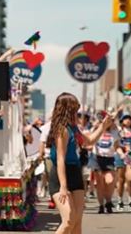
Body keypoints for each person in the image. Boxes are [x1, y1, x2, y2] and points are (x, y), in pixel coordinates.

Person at [46, 92, 114, 234]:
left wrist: (103, 126)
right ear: (67, 110)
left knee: (77, 222)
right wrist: (63, 186)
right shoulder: (62, 130)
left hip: (75, 173)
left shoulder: (73, 128)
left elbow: (88, 142)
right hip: (60, 176)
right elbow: (60, 159)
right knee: (69, 220)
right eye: (75, 110)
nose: (77, 113)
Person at [93, 119, 122, 214]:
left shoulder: (114, 133)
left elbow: (117, 146)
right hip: (97, 158)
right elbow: (90, 141)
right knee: (100, 184)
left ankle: (108, 201)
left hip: (109, 159)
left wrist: (122, 154)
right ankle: (101, 205)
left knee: (109, 181)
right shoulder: (97, 131)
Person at [117, 115, 131, 212]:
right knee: (121, 179)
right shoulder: (119, 131)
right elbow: (116, 144)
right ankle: (120, 200)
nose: (128, 121)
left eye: (130, 119)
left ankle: (130, 200)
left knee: (130, 179)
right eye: (125, 119)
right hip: (121, 156)